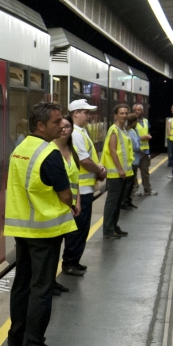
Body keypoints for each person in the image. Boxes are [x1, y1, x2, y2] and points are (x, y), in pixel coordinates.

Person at [5, 102, 77, 346]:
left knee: (22, 282)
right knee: (41, 287)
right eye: (57, 122)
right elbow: (65, 194)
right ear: (40, 126)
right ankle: (34, 345)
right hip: (45, 232)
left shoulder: (20, 149)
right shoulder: (50, 153)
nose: (62, 126)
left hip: (21, 228)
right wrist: (73, 204)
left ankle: (16, 335)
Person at [62, 100, 106, 277]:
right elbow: (84, 160)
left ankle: (75, 261)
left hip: (86, 189)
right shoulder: (77, 134)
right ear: (75, 114)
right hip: (80, 190)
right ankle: (70, 262)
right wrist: (100, 171)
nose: (89, 116)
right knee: (78, 229)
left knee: (82, 229)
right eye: (86, 112)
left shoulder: (81, 132)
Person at [51, 115, 81, 296]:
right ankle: (50, 282)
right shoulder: (51, 151)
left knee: (60, 245)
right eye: (60, 126)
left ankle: (53, 280)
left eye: (68, 126)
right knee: (54, 248)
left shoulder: (72, 150)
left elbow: (76, 179)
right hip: (57, 207)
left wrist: (78, 202)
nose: (64, 129)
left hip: (70, 206)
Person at [100, 104, 132, 240]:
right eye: (121, 113)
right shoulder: (114, 130)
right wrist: (119, 168)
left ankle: (114, 226)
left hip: (123, 173)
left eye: (126, 113)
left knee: (118, 201)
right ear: (115, 115)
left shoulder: (123, 130)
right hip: (115, 174)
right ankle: (108, 229)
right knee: (112, 202)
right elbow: (113, 150)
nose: (124, 115)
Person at [132, 103, 157, 196]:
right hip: (135, 152)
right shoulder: (131, 123)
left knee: (145, 171)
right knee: (134, 173)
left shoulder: (146, 121)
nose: (137, 112)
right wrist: (142, 137)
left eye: (139, 110)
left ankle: (148, 189)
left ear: (142, 111)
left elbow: (147, 131)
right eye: (135, 110)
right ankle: (134, 190)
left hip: (145, 150)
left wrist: (148, 136)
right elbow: (130, 137)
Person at [121, 114, 141, 211]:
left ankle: (128, 201)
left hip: (131, 160)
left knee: (129, 183)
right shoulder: (132, 131)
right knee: (129, 183)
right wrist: (140, 148)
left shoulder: (126, 130)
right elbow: (135, 146)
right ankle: (125, 202)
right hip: (134, 160)